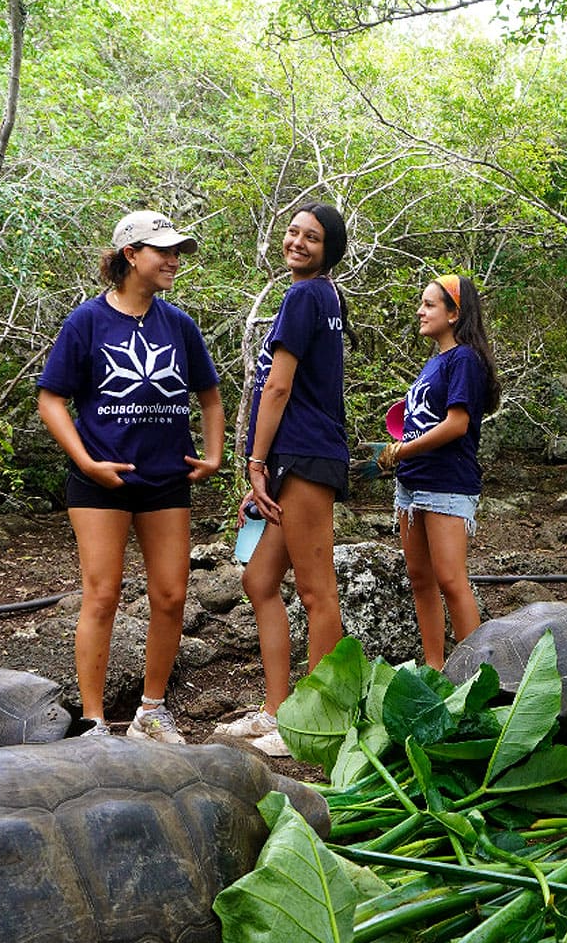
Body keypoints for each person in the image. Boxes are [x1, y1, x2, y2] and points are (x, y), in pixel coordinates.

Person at [37, 210, 224, 743]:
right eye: (162, 251)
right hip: (101, 481)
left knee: (170, 595)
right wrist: (84, 460)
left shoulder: (179, 325)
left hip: (167, 478)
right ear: (129, 256)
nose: (172, 261)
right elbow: (51, 399)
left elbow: (209, 397)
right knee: (102, 593)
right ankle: (94, 720)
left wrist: (212, 456)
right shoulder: (88, 321)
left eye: (177, 252)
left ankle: (151, 712)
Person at [216, 202, 350, 756]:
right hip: (295, 455)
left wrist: (254, 461)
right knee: (260, 581)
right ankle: (276, 710)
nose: (297, 241)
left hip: (305, 454)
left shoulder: (305, 295)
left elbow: (277, 388)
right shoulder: (322, 296)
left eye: (311, 237)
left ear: (328, 249)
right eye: (292, 232)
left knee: (318, 592)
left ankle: (316, 723)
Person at [378, 274, 500, 669]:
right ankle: (435, 668)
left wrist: (402, 450)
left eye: (429, 304)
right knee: (420, 579)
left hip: (446, 484)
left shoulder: (464, 358)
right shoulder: (437, 362)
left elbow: (456, 425)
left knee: (450, 580)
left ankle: (476, 678)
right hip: (412, 485)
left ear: (454, 314)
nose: (420, 310)